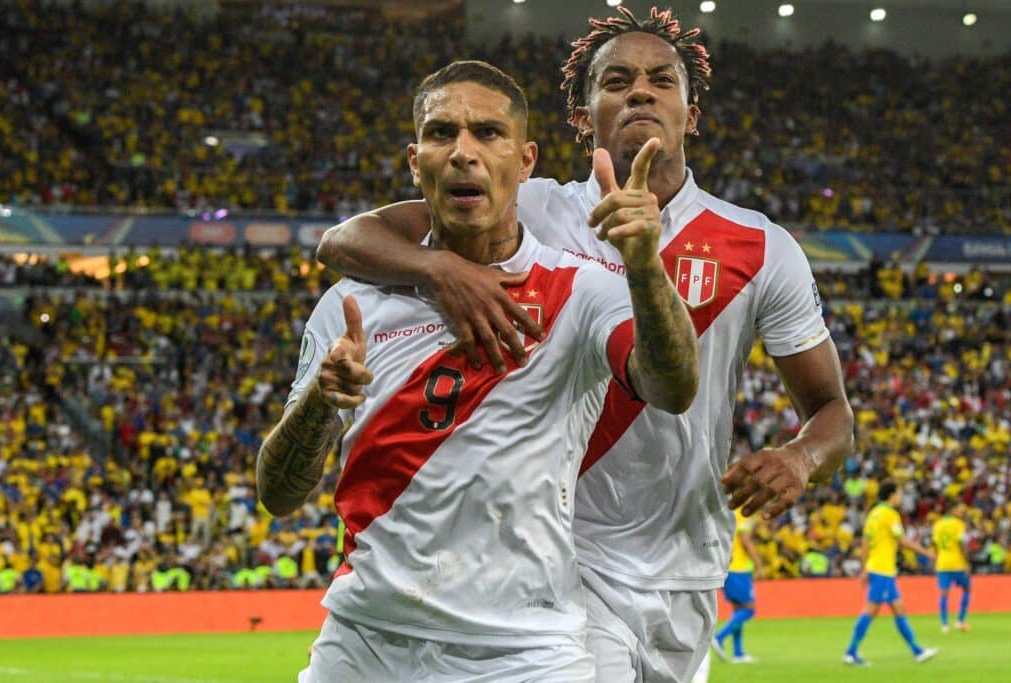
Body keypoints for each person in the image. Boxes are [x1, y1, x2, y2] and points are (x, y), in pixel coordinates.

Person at [317, 6, 854, 682]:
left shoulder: (761, 247)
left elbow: (833, 411)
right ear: (582, 113)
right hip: (565, 560)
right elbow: (343, 240)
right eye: (616, 80)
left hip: (687, 565)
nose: (640, 91)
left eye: (662, 80)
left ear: (691, 113)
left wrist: (801, 458)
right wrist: (440, 267)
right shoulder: (532, 207)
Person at [258, 60, 699, 682]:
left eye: (488, 133)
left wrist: (646, 266)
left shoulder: (582, 290)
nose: (464, 152)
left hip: (527, 653)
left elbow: (673, 387)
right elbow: (279, 494)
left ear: (525, 161)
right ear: (416, 162)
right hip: (366, 644)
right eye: (442, 134)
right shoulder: (353, 305)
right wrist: (319, 404)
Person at [843, 480, 938, 666]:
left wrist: (863, 569)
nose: (900, 497)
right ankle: (850, 652)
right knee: (871, 610)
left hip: (877, 568)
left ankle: (917, 651)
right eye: (899, 493)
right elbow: (902, 540)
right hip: (883, 569)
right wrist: (926, 552)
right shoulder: (890, 514)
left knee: (898, 608)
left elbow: (865, 543)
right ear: (892, 495)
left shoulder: (873, 515)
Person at [711, 509, 763, 664]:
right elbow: (745, 542)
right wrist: (759, 565)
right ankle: (719, 638)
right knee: (748, 609)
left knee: (739, 610)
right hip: (738, 568)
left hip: (727, 567)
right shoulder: (741, 513)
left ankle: (738, 653)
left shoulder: (727, 512)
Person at [932, 503, 971, 633]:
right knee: (967, 589)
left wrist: (936, 560)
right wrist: (966, 563)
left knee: (944, 593)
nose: (961, 513)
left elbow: (935, 545)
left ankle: (944, 624)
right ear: (952, 510)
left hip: (942, 563)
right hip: (957, 563)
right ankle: (960, 621)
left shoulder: (937, 525)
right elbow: (962, 544)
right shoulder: (959, 524)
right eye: (959, 510)